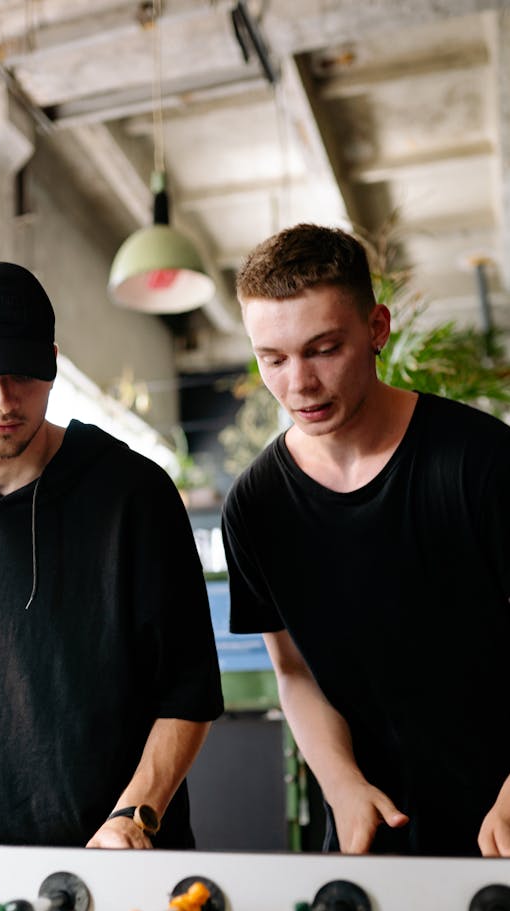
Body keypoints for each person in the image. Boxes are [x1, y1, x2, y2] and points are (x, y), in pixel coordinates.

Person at [0, 257, 223, 849]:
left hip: (127, 857)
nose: (4, 399)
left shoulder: (135, 496)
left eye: (23, 373)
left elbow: (187, 695)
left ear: (54, 363)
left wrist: (131, 819)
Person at [221, 222, 510, 858]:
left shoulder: (481, 463)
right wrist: (342, 783)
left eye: (323, 349)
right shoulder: (255, 506)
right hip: (371, 833)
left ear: (377, 329)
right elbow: (292, 670)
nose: (299, 384)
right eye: (273, 359)